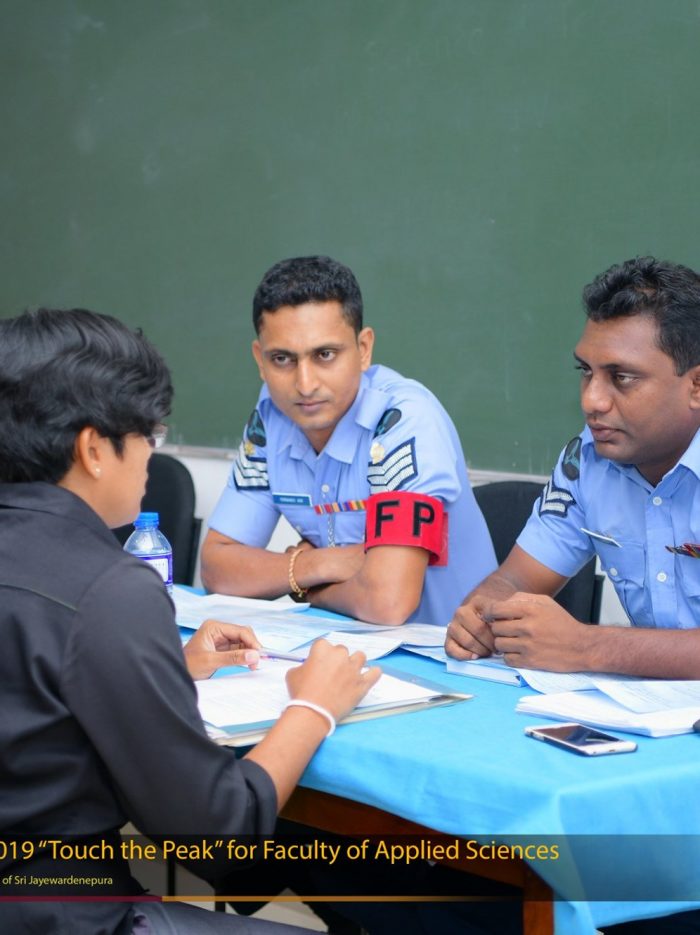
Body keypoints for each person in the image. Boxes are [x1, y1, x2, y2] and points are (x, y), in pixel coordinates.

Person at [0, 307, 381, 935]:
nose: (152, 459)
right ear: (93, 449)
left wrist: (162, 667)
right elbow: (215, 836)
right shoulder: (111, 588)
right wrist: (313, 707)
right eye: (149, 436)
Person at [201, 255, 496, 626]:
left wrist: (304, 590)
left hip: (442, 652)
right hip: (344, 643)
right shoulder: (271, 417)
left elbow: (387, 602)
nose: (305, 384)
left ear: (364, 348)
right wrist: (314, 565)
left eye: (325, 355)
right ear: (260, 360)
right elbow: (217, 569)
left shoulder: (403, 421)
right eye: (282, 359)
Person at [446, 256, 700, 680]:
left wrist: (588, 646)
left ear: (696, 386)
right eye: (586, 371)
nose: (591, 401)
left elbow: (586, 648)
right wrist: (483, 617)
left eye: (622, 377)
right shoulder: (588, 459)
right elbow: (514, 581)